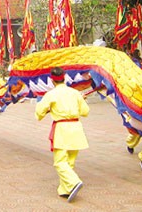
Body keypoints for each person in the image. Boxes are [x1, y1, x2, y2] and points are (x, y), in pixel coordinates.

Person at [35, 67, 89, 202]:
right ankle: (65, 189)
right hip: (76, 127)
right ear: (64, 78)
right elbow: (85, 111)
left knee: (60, 162)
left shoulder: (51, 95)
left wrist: (48, 110)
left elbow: (39, 112)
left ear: (52, 80)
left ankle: (74, 182)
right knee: (69, 161)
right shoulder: (75, 93)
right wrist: (79, 101)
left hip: (62, 128)